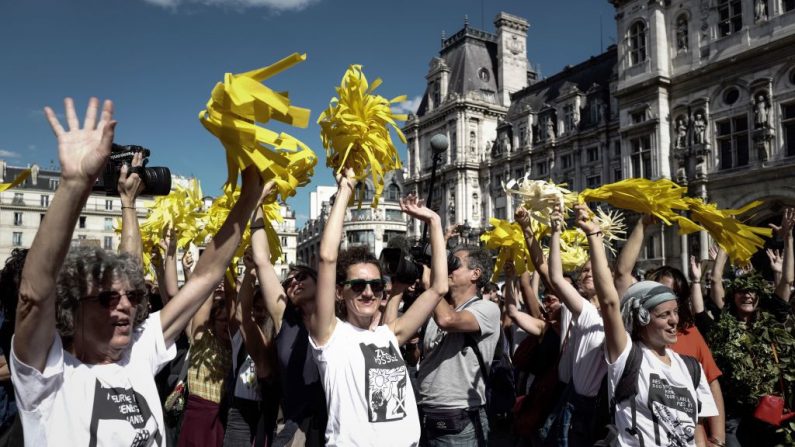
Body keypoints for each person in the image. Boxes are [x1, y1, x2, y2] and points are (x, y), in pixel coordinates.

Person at [10, 97, 270, 446]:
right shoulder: (47, 373)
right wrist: (74, 186)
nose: (125, 305)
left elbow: (207, 275)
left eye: (132, 296)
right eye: (106, 298)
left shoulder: (138, 349)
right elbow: (33, 296)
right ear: (72, 309)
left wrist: (249, 195)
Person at [310, 169, 449, 446]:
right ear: (340, 291)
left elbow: (438, 288)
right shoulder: (330, 335)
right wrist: (347, 189)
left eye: (375, 284)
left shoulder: (389, 335)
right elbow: (327, 257)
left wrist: (434, 221)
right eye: (358, 285)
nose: (369, 292)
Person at [575, 203, 718, 447]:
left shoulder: (690, 367)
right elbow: (610, 301)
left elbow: (696, 429)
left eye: (675, 312)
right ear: (641, 318)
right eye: (664, 315)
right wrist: (594, 236)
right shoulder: (626, 356)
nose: (674, 320)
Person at [250, 202, 327, 447]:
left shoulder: (338, 322)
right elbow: (262, 260)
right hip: (295, 429)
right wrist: (256, 201)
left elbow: (329, 257)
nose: (293, 282)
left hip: (335, 425)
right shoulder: (286, 320)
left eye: (302, 277)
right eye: (289, 281)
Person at [417, 242, 500, 447]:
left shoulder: (487, 309)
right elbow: (420, 356)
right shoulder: (437, 308)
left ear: (476, 274)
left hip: (460, 419)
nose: (447, 269)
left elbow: (448, 320)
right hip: (425, 413)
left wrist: (432, 287)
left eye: (455, 265)